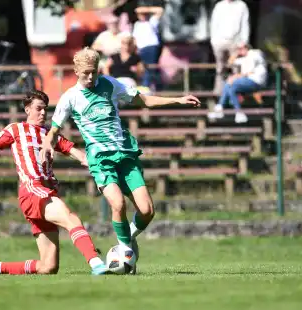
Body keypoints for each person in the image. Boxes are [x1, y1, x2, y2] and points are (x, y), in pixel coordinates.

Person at [41, 47, 200, 273]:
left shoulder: (110, 84)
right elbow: (54, 130)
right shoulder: (70, 98)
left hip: (125, 154)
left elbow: (143, 100)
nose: (90, 77)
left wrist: (178, 100)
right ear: (76, 71)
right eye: (85, 72)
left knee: (147, 210)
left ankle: (128, 238)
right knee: (118, 204)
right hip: (100, 159)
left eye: (93, 72)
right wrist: (47, 145)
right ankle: (125, 248)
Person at [0, 90, 110, 276]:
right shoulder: (15, 129)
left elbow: (81, 156)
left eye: (45, 109)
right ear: (27, 110)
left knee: (48, 267)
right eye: (39, 109)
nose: (43, 113)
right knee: (71, 219)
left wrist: (103, 165)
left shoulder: (50, 136)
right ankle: (96, 263)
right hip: (32, 190)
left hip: (45, 192)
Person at [208, 43, 267, 123]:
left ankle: (221, 108)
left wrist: (234, 77)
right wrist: (236, 53)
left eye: (240, 48)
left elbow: (248, 72)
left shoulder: (254, 54)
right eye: (238, 49)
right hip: (247, 82)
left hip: (256, 82)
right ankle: (237, 113)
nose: (239, 50)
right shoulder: (245, 58)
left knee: (230, 82)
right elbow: (230, 63)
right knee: (230, 87)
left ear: (246, 47)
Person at [210, 0, 250, 94]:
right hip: (219, 41)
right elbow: (214, 24)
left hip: (235, 42)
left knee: (236, 67)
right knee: (220, 67)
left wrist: (244, 41)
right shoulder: (219, 6)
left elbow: (245, 24)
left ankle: (235, 91)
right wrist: (213, 40)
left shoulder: (241, 5)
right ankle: (219, 92)